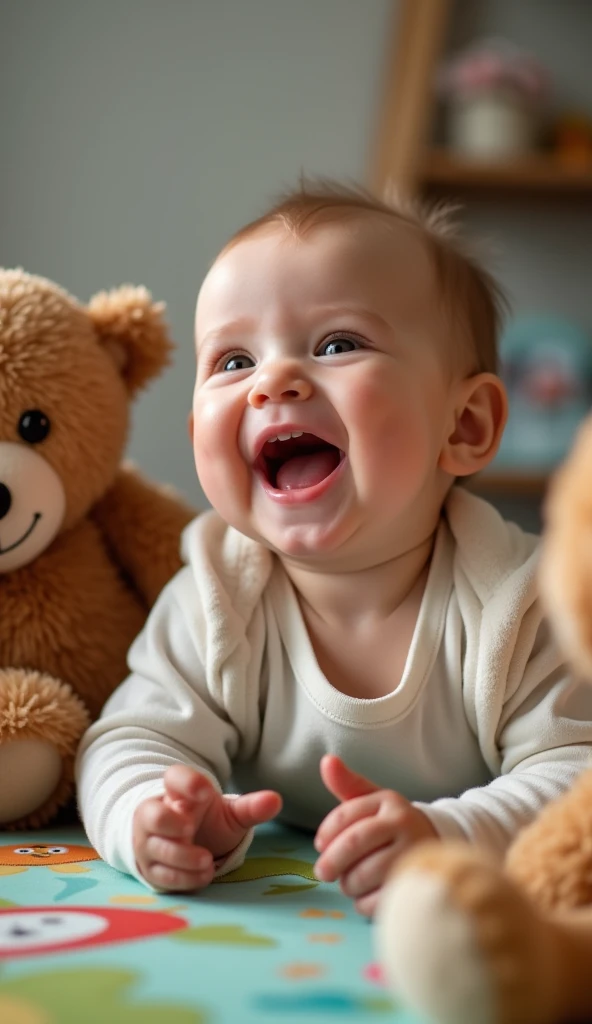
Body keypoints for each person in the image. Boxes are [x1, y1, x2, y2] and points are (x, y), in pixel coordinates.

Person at [76, 182, 592, 917]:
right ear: (199, 437)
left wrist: (454, 833)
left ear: (465, 425)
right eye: (232, 361)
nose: (272, 381)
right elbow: (129, 736)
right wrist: (153, 816)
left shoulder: (519, 601)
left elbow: (575, 771)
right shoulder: (220, 594)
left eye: (337, 344)